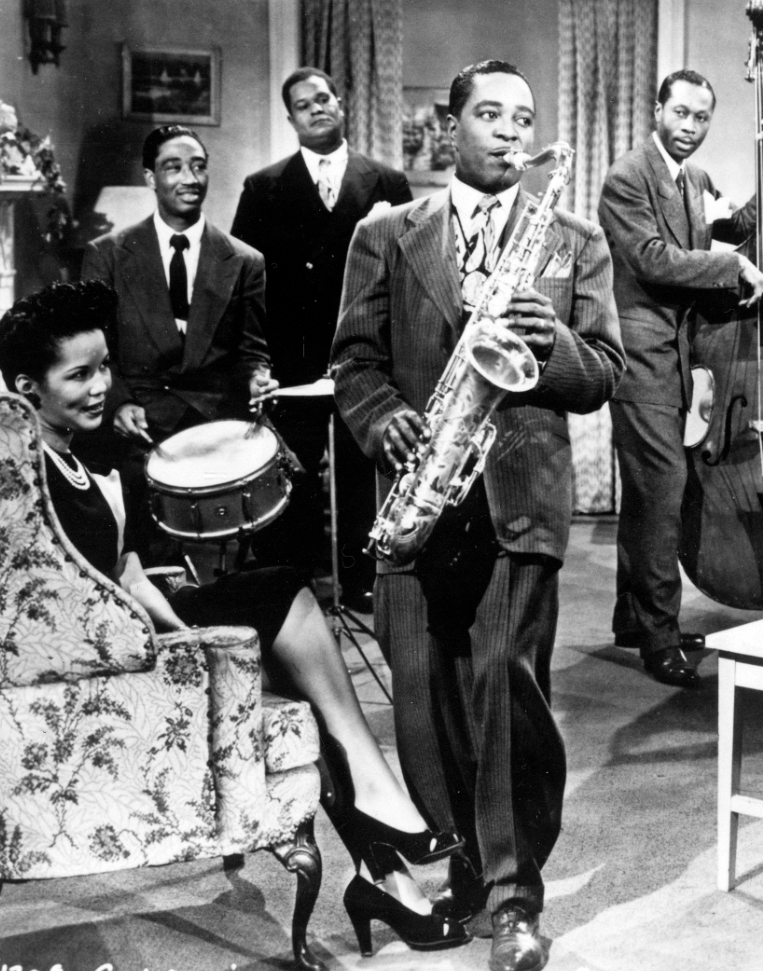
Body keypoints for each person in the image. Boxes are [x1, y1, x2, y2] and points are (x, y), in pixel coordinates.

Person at [0, 280, 468, 955]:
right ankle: (384, 837)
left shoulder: (80, 453)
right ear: (26, 387)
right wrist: (187, 646)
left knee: (290, 659)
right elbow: (62, 608)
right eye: (79, 375)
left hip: (137, 636)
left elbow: (128, 572)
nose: (101, 386)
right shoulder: (23, 481)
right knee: (280, 597)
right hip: (111, 664)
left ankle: (389, 875)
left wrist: (188, 636)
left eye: (104, 367)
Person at [331, 59, 623, 971]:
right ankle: (463, 861)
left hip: (517, 500)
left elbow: (604, 372)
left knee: (504, 690)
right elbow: (352, 362)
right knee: (423, 706)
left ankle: (511, 900)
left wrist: (553, 341)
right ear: (449, 125)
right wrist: (383, 419)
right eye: (489, 114)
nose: (508, 131)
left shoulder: (573, 240)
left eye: (521, 118)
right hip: (420, 493)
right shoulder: (386, 233)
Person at [597, 68, 763, 688]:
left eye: (701, 117)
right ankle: (659, 640)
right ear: (657, 110)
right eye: (680, 113)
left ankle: (635, 620)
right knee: (661, 489)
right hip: (639, 356)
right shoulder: (628, 176)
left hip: (677, 355)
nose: (690, 126)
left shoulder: (696, 179)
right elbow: (650, 260)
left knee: (651, 495)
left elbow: (741, 229)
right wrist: (733, 267)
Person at [232, 68, 413, 599]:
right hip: (293, 360)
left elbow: (407, 275)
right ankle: (295, 587)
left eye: (323, 98)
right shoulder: (263, 187)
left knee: (363, 469)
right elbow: (246, 284)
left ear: (340, 103)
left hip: (366, 354)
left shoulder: (388, 182)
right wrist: (259, 362)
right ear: (291, 119)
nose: (315, 109)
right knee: (294, 471)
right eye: (302, 105)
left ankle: (362, 582)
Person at [83, 125, 277, 449]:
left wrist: (258, 380)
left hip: (218, 421)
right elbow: (94, 349)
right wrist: (119, 404)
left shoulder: (246, 260)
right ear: (150, 178)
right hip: (140, 420)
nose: (190, 178)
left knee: (292, 476)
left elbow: (252, 352)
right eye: (174, 168)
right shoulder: (107, 255)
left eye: (199, 166)